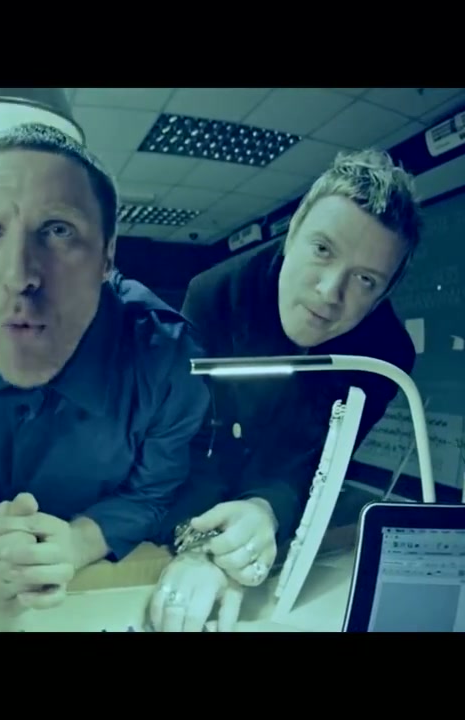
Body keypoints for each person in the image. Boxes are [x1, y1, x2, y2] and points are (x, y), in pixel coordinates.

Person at [0, 123, 211, 615]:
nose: (19, 276)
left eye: (58, 230)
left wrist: (78, 543)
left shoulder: (167, 355)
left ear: (107, 255)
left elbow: (153, 491)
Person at [147, 148, 422, 632]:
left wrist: (266, 511)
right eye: (322, 249)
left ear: (384, 293)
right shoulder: (214, 294)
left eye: (364, 279)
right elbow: (188, 442)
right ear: (291, 233)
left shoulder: (387, 353)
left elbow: (323, 461)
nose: (329, 292)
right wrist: (204, 546)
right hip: (201, 477)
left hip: (288, 502)